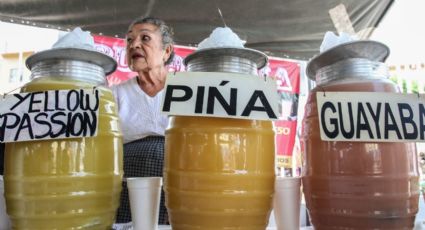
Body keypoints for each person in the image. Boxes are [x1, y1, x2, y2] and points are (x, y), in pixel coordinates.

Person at [111, 16, 174, 224]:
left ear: (166, 51)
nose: (134, 45)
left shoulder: (187, 90)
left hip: (176, 185)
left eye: (145, 38)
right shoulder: (115, 95)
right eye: (129, 40)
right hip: (126, 188)